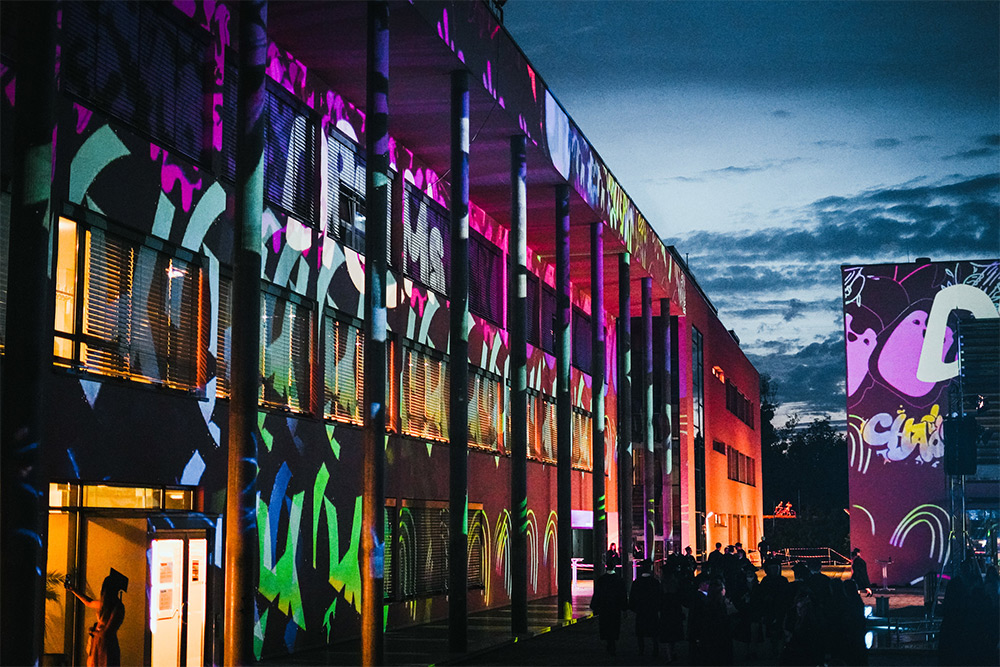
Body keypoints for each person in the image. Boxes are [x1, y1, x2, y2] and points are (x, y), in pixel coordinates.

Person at [66, 569, 128, 667]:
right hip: (98, 642)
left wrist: (94, 632)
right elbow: (89, 602)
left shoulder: (117, 607)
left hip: (106, 645)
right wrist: (74, 590)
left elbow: (108, 631)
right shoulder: (105, 605)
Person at [590, 560, 628, 655]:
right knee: (614, 625)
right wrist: (624, 608)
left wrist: (595, 607)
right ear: (615, 567)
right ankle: (613, 642)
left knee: (606, 625)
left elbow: (597, 594)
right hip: (615, 607)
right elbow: (623, 595)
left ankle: (609, 642)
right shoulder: (619, 580)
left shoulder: (602, 580)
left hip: (604, 607)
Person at [629, 559, 662, 656]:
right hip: (652, 610)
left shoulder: (637, 583)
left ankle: (641, 650)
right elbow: (660, 597)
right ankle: (655, 649)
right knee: (654, 631)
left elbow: (632, 598)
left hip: (641, 610)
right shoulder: (655, 582)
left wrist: (634, 608)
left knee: (640, 632)